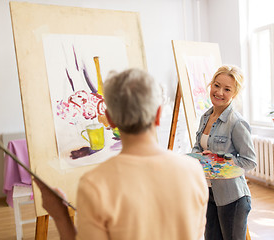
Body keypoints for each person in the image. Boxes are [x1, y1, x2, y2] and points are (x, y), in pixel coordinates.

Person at [35, 68, 209, 240]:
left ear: (110, 119)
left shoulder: (95, 184)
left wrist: (60, 215)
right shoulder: (193, 171)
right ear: (158, 114)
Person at [191, 65, 256, 240]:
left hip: (232, 198)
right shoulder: (206, 117)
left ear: (234, 94)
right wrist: (194, 157)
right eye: (216, 85)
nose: (219, 92)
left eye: (227, 89)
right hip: (208, 192)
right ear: (210, 85)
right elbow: (198, 147)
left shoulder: (237, 123)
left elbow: (250, 161)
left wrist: (219, 160)